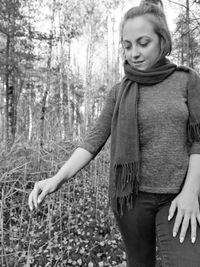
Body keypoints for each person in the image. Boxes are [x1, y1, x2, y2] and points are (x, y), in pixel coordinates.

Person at [29, 0, 200, 266]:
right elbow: (94, 140)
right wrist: (57, 178)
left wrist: (191, 192)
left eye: (144, 43)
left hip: (178, 196)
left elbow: (198, 140)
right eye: (127, 45)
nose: (134, 52)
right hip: (131, 199)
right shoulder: (119, 92)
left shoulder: (187, 80)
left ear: (162, 40)